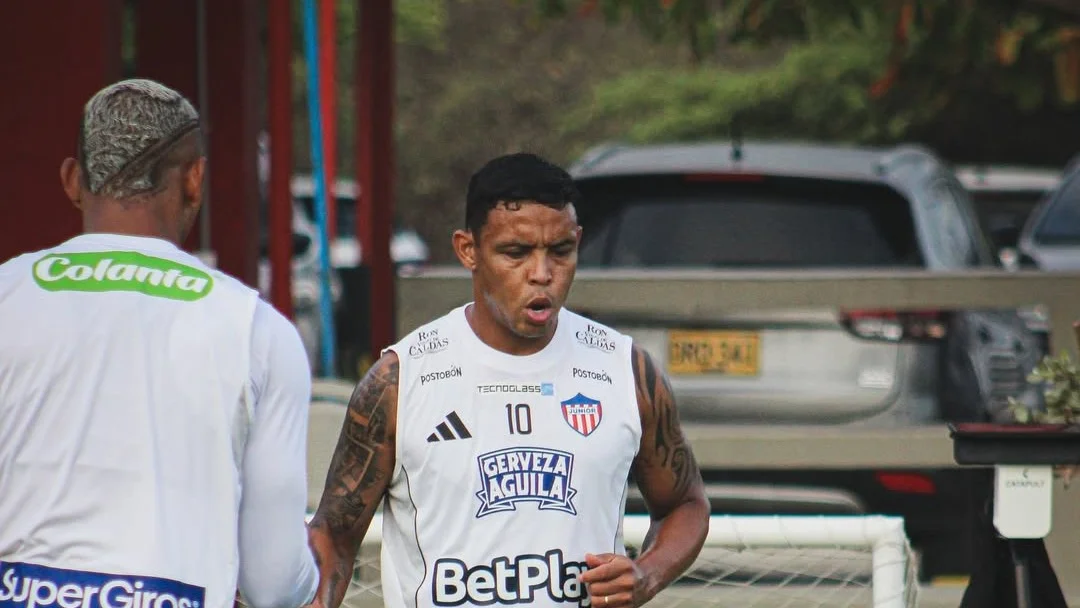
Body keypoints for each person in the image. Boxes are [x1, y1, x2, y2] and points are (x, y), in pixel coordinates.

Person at [307, 152, 710, 608]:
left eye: (560, 251)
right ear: (468, 250)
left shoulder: (624, 369)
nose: (542, 274)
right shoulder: (402, 379)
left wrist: (646, 574)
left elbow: (686, 504)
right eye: (515, 253)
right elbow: (334, 536)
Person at [0, 79, 318, 608]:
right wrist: (315, 575)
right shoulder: (256, 332)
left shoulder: (6, 295)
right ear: (195, 180)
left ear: (73, 180)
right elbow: (273, 580)